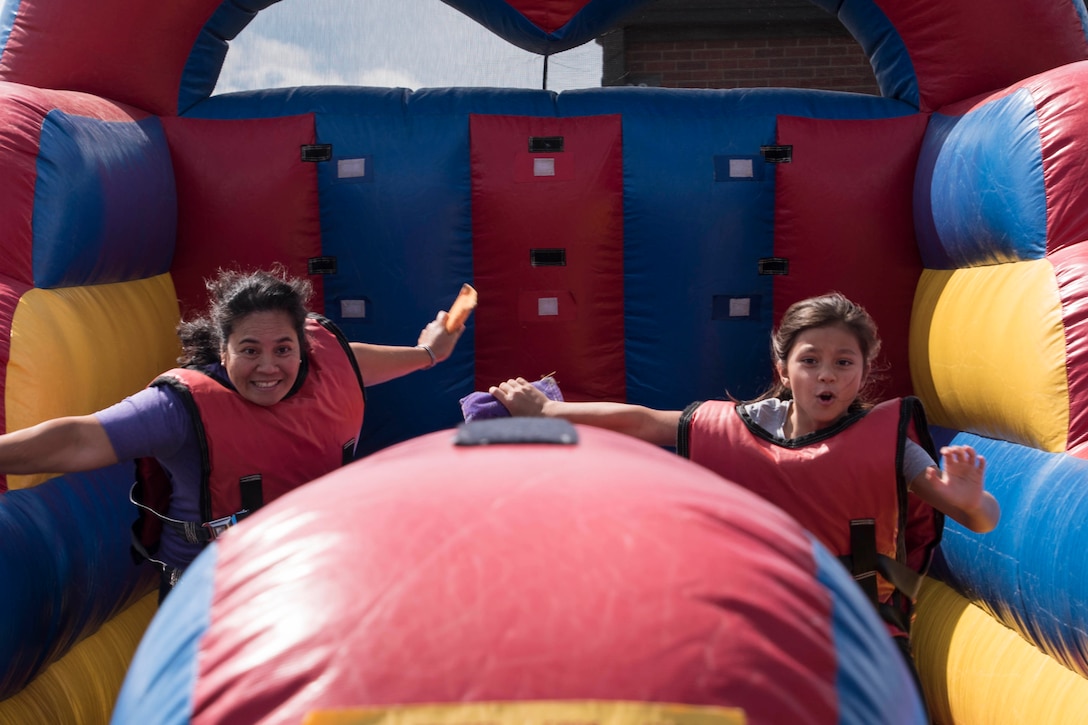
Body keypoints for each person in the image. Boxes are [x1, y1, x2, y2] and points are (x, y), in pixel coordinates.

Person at [487, 291, 999, 677]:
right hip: (757, 623)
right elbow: (645, 421)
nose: (827, 376)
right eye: (810, 361)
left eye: (844, 363)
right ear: (784, 367)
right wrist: (550, 409)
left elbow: (978, 517)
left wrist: (970, 502)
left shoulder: (887, 445)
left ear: (864, 373)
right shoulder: (746, 425)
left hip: (858, 631)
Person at [0, 266, 466, 599]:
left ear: (304, 349)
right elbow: (76, 439)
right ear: (221, 351)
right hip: (214, 594)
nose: (268, 367)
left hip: (310, 575)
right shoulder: (177, 408)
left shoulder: (329, 359)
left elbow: (354, 360)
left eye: (283, 348)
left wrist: (429, 353)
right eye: (249, 350)